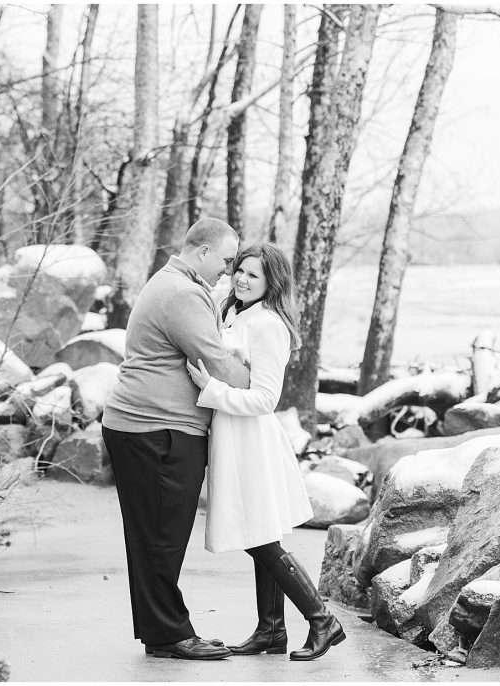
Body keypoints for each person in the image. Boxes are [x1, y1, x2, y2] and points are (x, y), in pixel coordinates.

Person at [187, 243, 346, 661]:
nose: (240, 278)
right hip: (231, 437)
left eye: (252, 275)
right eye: (239, 270)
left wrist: (210, 389)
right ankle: (272, 631)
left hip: (252, 443)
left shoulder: (269, 324)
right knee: (261, 533)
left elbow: (265, 399)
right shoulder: (233, 315)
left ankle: (322, 620)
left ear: (270, 283)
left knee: (259, 538)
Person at [101, 217, 249, 661]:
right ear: (201, 251)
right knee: (162, 536)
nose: (229, 270)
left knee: (153, 535)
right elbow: (220, 367)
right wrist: (253, 376)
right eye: (225, 259)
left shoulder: (172, 282)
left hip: (147, 426)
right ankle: (171, 635)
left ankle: (163, 633)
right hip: (155, 429)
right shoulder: (183, 293)